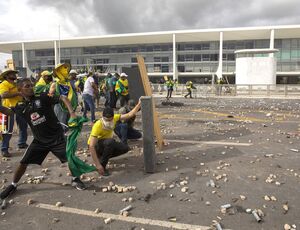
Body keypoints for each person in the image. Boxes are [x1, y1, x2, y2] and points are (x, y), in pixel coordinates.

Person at [0, 79, 86, 201]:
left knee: (70, 158)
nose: (31, 87)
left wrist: (72, 113)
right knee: (23, 163)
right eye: (27, 86)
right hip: (39, 141)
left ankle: (76, 179)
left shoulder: (43, 96)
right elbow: (8, 111)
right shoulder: (21, 106)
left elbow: (63, 98)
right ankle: (13, 185)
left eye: (31, 85)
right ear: (20, 90)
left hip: (57, 138)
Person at [88, 100, 141, 176]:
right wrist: (98, 165)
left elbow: (129, 115)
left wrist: (138, 105)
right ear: (102, 117)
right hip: (96, 146)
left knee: (125, 148)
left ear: (113, 117)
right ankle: (102, 165)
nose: (108, 122)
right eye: (106, 120)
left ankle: (103, 157)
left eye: (110, 120)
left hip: (106, 143)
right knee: (110, 142)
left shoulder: (115, 118)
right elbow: (91, 146)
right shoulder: (98, 125)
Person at [0, 69, 28, 157]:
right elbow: (4, 95)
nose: (14, 75)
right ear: (7, 76)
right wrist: (18, 93)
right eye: (12, 74)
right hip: (7, 109)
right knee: (7, 130)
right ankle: (4, 149)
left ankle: (22, 143)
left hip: (19, 107)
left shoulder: (15, 84)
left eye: (14, 73)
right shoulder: (4, 84)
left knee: (23, 126)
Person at [49, 63, 78, 132]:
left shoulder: (67, 82)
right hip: (60, 107)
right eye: (63, 69)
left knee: (67, 125)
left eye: (66, 69)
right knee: (61, 126)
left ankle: (65, 140)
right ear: (59, 72)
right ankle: (61, 141)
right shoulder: (55, 83)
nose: (66, 71)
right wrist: (59, 97)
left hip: (69, 107)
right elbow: (49, 96)